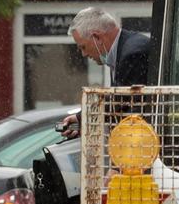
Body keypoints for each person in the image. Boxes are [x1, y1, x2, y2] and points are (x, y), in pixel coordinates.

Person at [59, 8, 152, 138]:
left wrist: (84, 118)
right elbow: (119, 102)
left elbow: (125, 105)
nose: (84, 54)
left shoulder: (132, 54)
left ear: (97, 37)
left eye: (83, 47)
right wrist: (82, 118)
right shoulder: (125, 49)